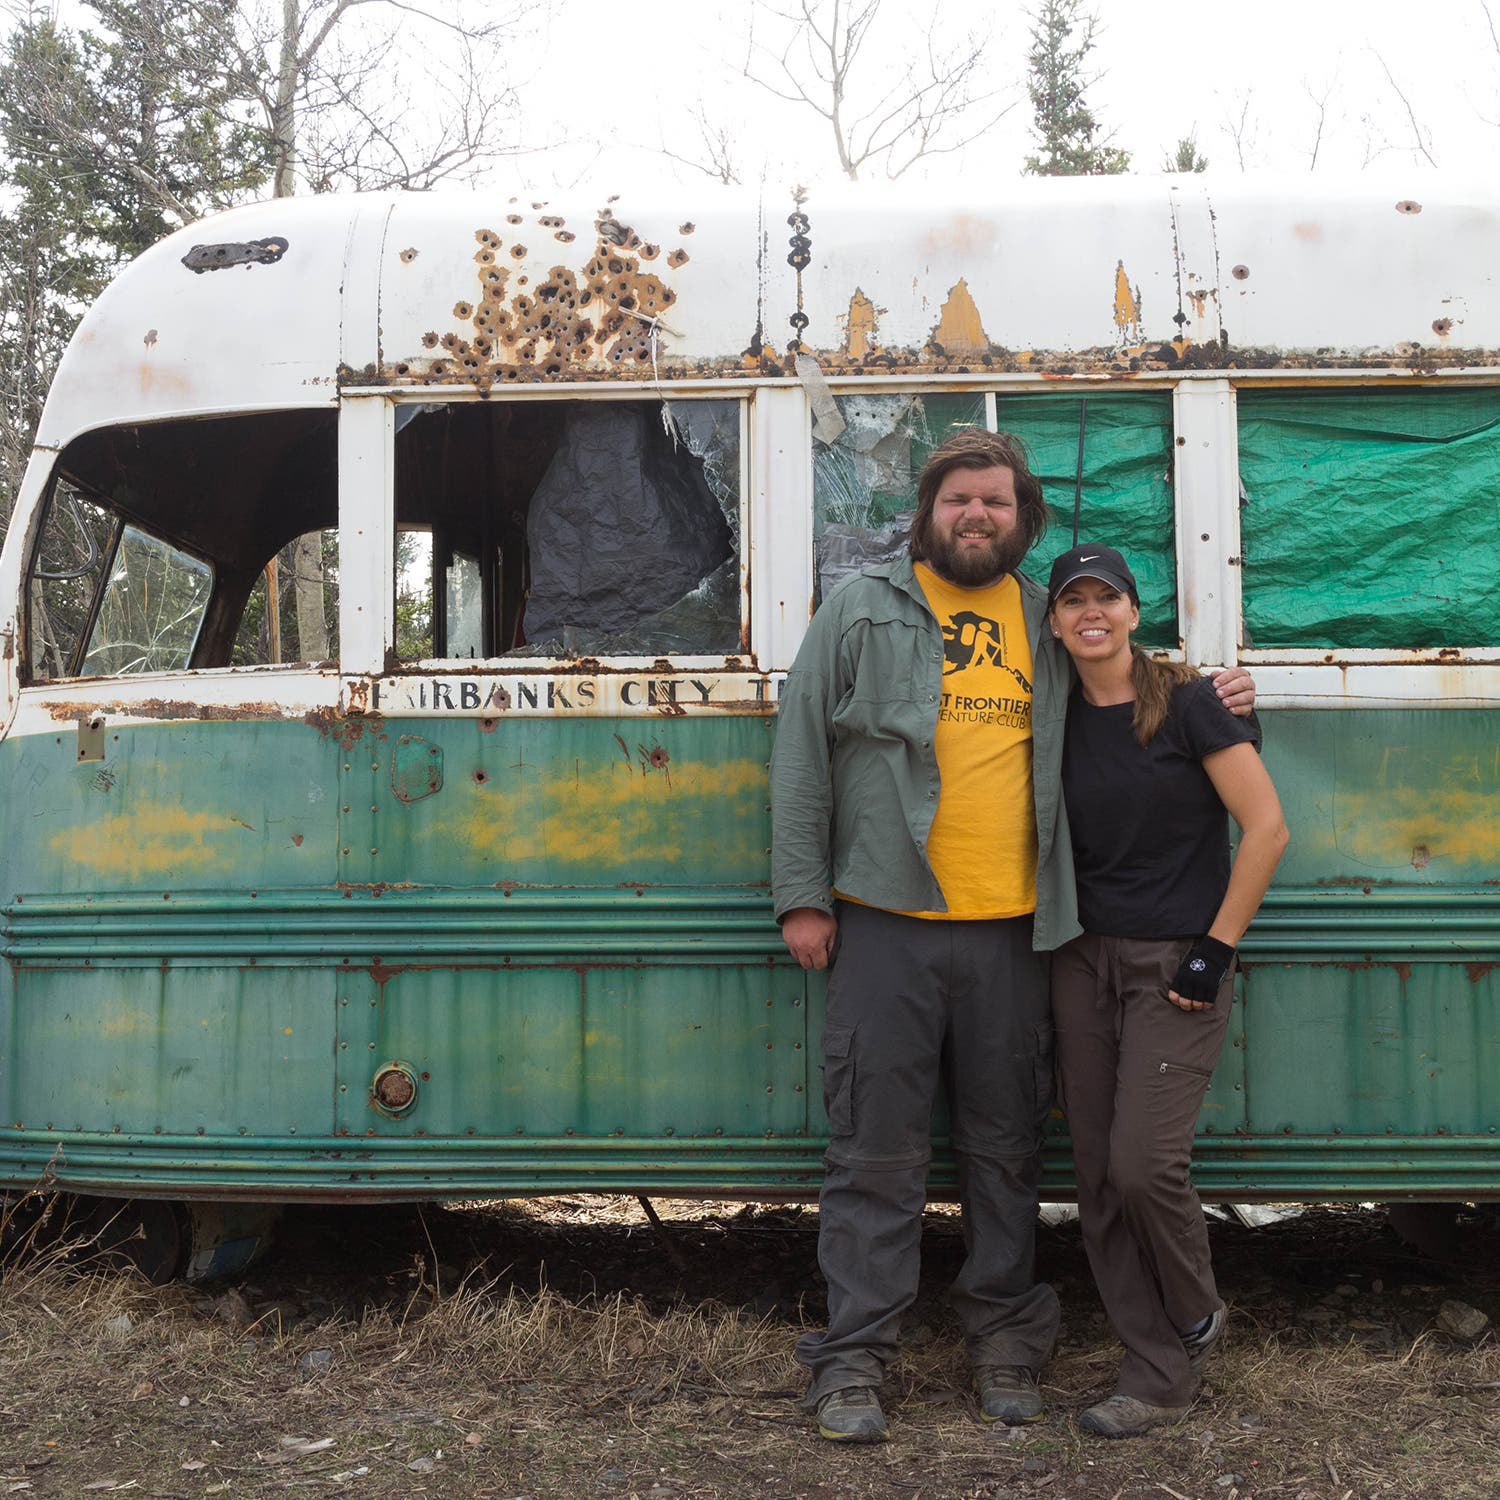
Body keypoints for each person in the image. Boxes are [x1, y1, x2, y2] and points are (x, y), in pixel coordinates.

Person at [769, 428, 1257, 1443]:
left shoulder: (1045, 617)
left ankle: (1006, 1341)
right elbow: (801, 752)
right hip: (886, 921)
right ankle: (854, 1359)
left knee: (1005, 1153)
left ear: (1022, 520)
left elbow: (1126, 680)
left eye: (995, 502)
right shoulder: (861, 609)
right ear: (928, 514)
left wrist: (1215, 694)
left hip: (1022, 935)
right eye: (958, 501)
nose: (976, 516)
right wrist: (802, 896)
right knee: (873, 1150)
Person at [1045, 543, 1288, 1439]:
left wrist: (1214, 951)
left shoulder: (1189, 704)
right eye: (1073, 601)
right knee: (1099, 1181)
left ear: (1134, 611)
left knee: (1146, 1167)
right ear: (1057, 621)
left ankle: (1195, 1309)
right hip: (1078, 960)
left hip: (1175, 967)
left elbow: (1265, 830)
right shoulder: (1052, 713)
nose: (1090, 613)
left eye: (1106, 596)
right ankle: (1154, 1375)